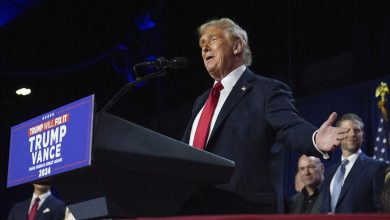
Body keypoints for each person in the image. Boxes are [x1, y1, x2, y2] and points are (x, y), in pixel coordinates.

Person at [180, 17, 349, 214]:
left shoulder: (265, 91)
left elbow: (290, 126)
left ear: (237, 46)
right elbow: (185, 154)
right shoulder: (201, 103)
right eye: (202, 45)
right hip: (196, 211)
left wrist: (315, 139)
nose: (205, 48)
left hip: (244, 210)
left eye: (213, 40)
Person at [321, 113, 387, 213]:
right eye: (347, 130)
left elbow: (383, 211)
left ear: (363, 136)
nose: (352, 134)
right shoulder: (330, 172)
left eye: (357, 130)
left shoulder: (377, 167)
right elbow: (324, 209)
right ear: (338, 136)